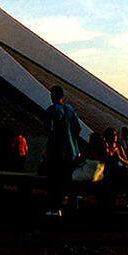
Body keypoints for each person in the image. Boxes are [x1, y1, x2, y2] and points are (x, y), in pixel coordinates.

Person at [42, 85, 83, 218]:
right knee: (68, 178)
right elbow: (78, 129)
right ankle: (72, 205)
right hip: (72, 151)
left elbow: (49, 129)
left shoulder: (52, 110)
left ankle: (55, 207)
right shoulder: (70, 110)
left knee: (54, 180)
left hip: (57, 151)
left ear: (53, 96)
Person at [99, 127, 128, 208]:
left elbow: (127, 162)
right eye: (112, 135)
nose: (115, 137)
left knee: (127, 175)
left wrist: (119, 157)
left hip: (116, 171)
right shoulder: (102, 146)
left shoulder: (118, 147)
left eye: (116, 135)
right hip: (105, 171)